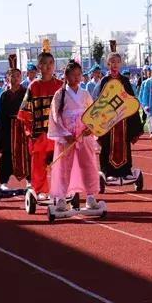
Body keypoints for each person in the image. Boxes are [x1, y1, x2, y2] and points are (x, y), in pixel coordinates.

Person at [47, 60, 100, 212]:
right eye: (73, 75)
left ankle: (90, 196)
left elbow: (93, 113)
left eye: (79, 75)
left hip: (84, 135)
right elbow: (56, 116)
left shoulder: (85, 93)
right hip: (67, 137)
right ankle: (61, 198)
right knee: (64, 167)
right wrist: (65, 133)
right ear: (66, 76)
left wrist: (91, 128)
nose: (76, 78)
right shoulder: (60, 94)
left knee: (88, 164)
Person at [18, 43, 64, 202]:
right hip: (40, 132)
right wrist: (30, 132)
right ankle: (40, 190)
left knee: (60, 161)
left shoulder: (60, 86)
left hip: (58, 132)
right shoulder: (33, 86)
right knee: (39, 163)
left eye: (51, 63)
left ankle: (61, 189)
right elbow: (25, 112)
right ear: (39, 67)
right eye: (44, 63)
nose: (48, 66)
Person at [96, 43, 144, 181]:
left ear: (121, 64)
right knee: (108, 144)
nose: (115, 64)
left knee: (124, 144)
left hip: (123, 119)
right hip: (109, 120)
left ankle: (125, 170)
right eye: (112, 62)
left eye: (117, 62)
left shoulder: (124, 80)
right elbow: (100, 101)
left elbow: (130, 99)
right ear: (108, 64)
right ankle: (107, 171)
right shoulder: (105, 81)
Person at [0, 55, 29, 189]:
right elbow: (1, 117)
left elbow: (29, 111)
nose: (15, 79)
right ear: (7, 78)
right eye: (12, 76)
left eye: (17, 76)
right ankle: (4, 181)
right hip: (8, 129)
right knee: (7, 155)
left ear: (21, 77)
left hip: (23, 127)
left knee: (26, 153)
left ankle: (30, 180)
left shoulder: (26, 92)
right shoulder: (4, 95)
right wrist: (0, 138)